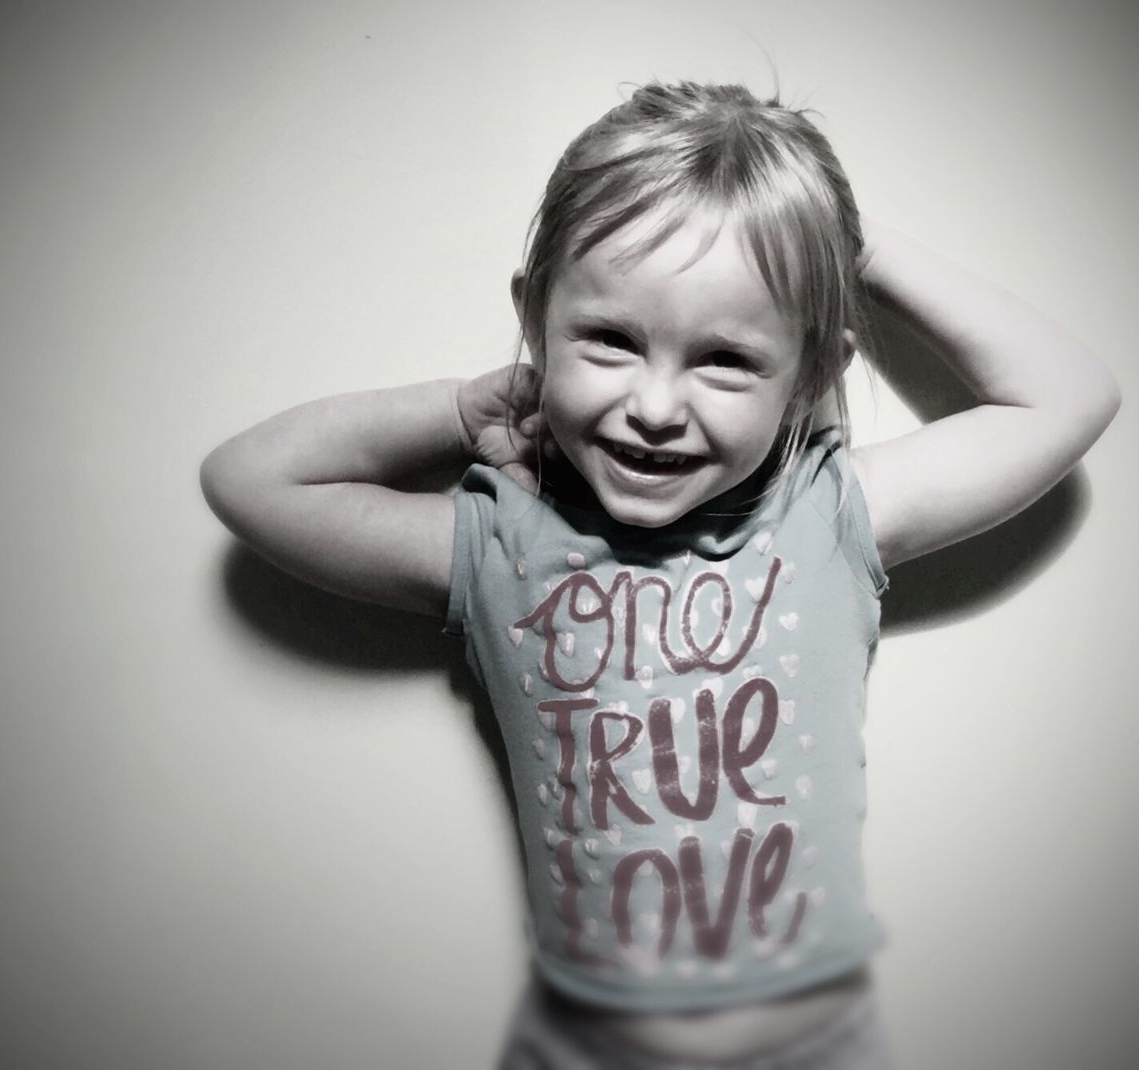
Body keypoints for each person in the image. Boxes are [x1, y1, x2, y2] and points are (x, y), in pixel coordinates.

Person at [199, 81, 1119, 1069]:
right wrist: (459, 409)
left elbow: (1068, 395)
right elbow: (248, 479)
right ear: (534, 320)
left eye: (722, 358)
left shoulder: (825, 517)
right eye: (607, 339)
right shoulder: (503, 539)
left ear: (809, 375)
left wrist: (840, 244)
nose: (653, 404)